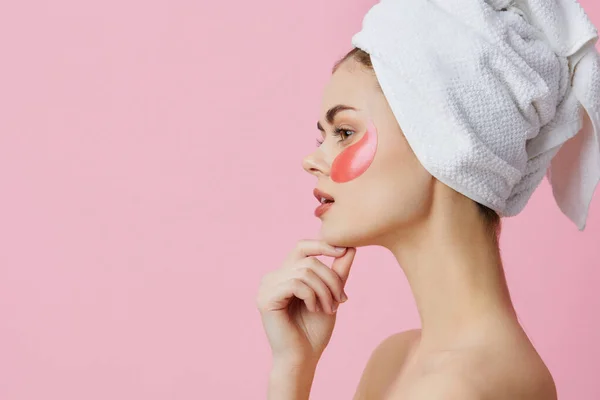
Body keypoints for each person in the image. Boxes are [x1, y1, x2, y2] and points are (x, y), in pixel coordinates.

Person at [256, 1, 600, 398]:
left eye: (345, 132)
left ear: (444, 141)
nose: (311, 161)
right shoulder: (395, 360)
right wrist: (293, 367)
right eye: (324, 137)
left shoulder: (462, 387)